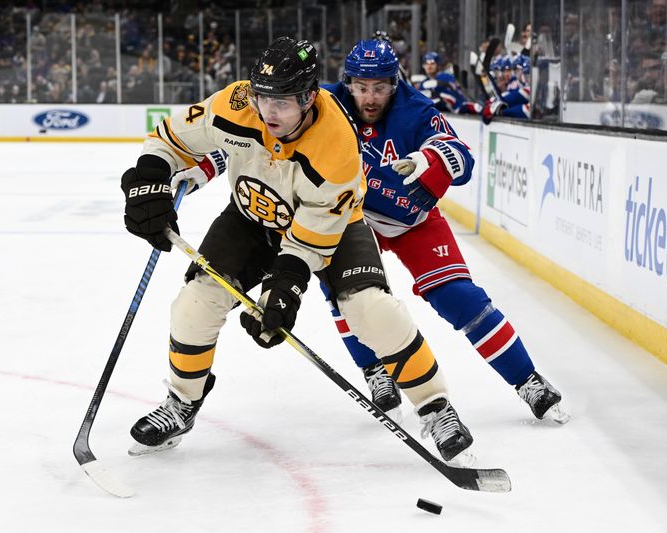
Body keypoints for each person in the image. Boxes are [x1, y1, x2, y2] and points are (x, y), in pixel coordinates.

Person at [120, 37, 475, 464]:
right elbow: (170, 139)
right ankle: (182, 402)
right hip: (251, 218)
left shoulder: (338, 145)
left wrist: (282, 288)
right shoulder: (235, 102)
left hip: (335, 228)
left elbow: (311, 237)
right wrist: (149, 180)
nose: (269, 112)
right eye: (263, 97)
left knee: (371, 309)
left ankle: (435, 406)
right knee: (196, 302)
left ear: (309, 98)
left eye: (284, 102)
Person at [323, 39, 568, 424]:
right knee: (350, 294)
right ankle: (375, 370)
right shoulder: (325, 103)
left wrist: (429, 158)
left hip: (412, 219)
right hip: (353, 217)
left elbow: (462, 155)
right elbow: (267, 123)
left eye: (380, 88)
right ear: (347, 81)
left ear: (395, 83)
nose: (370, 98)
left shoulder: (415, 109)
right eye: (361, 87)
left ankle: (528, 380)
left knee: (460, 297)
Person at [415, 51, 483, 116]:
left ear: (438, 65)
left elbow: (454, 98)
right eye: (426, 64)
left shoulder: (446, 77)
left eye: (432, 64)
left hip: (457, 110)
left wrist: (437, 92)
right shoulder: (423, 83)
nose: (429, 67)